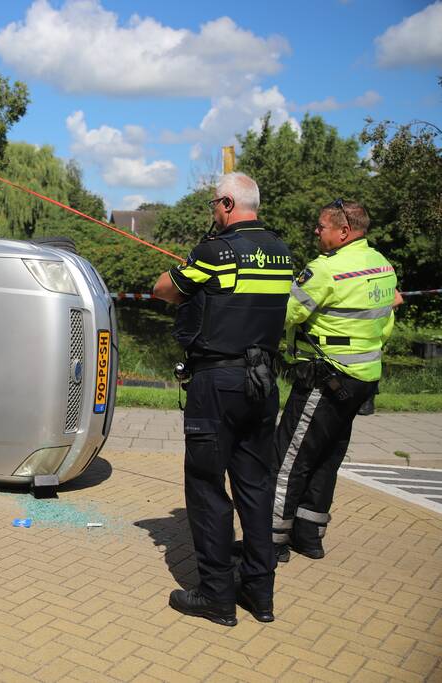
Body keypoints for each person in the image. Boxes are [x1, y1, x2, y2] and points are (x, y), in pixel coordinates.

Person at [152, 173, 293, 626]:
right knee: (255, 488)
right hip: (264, 383)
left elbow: (164, 290)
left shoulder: (214, 252)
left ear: (229, 203)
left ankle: (215, 594)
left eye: (216, 202)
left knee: (207, 487)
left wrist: (188, 271)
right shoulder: (283, 252)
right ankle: (259, 591)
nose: (213, 209)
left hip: (219, 384)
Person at [272, 200, 396, 562]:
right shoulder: (382, 267)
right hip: (362, 381)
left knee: (289, 458)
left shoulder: (326, 270)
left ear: (344, 232)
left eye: (321, 226)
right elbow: (384, 325)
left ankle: (272, 539)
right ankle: (309, 536)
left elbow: (288, 311)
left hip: (325, 380)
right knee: (327, 456)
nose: (316, 231)